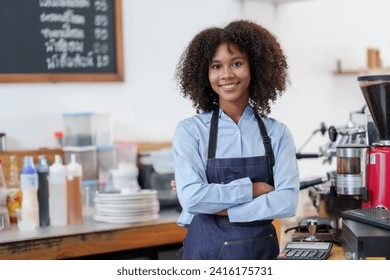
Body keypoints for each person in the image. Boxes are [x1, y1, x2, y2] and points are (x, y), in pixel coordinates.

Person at [172, 19, 300, 260]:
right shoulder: (190, 131)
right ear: (205, 72)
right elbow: (192, 198)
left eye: (237, 63)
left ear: (255, 68)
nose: (227, 74)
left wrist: (220, 210)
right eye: (216, 66)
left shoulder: (278, 133)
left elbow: (286, 202)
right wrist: (254, 189)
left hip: (260, 256)